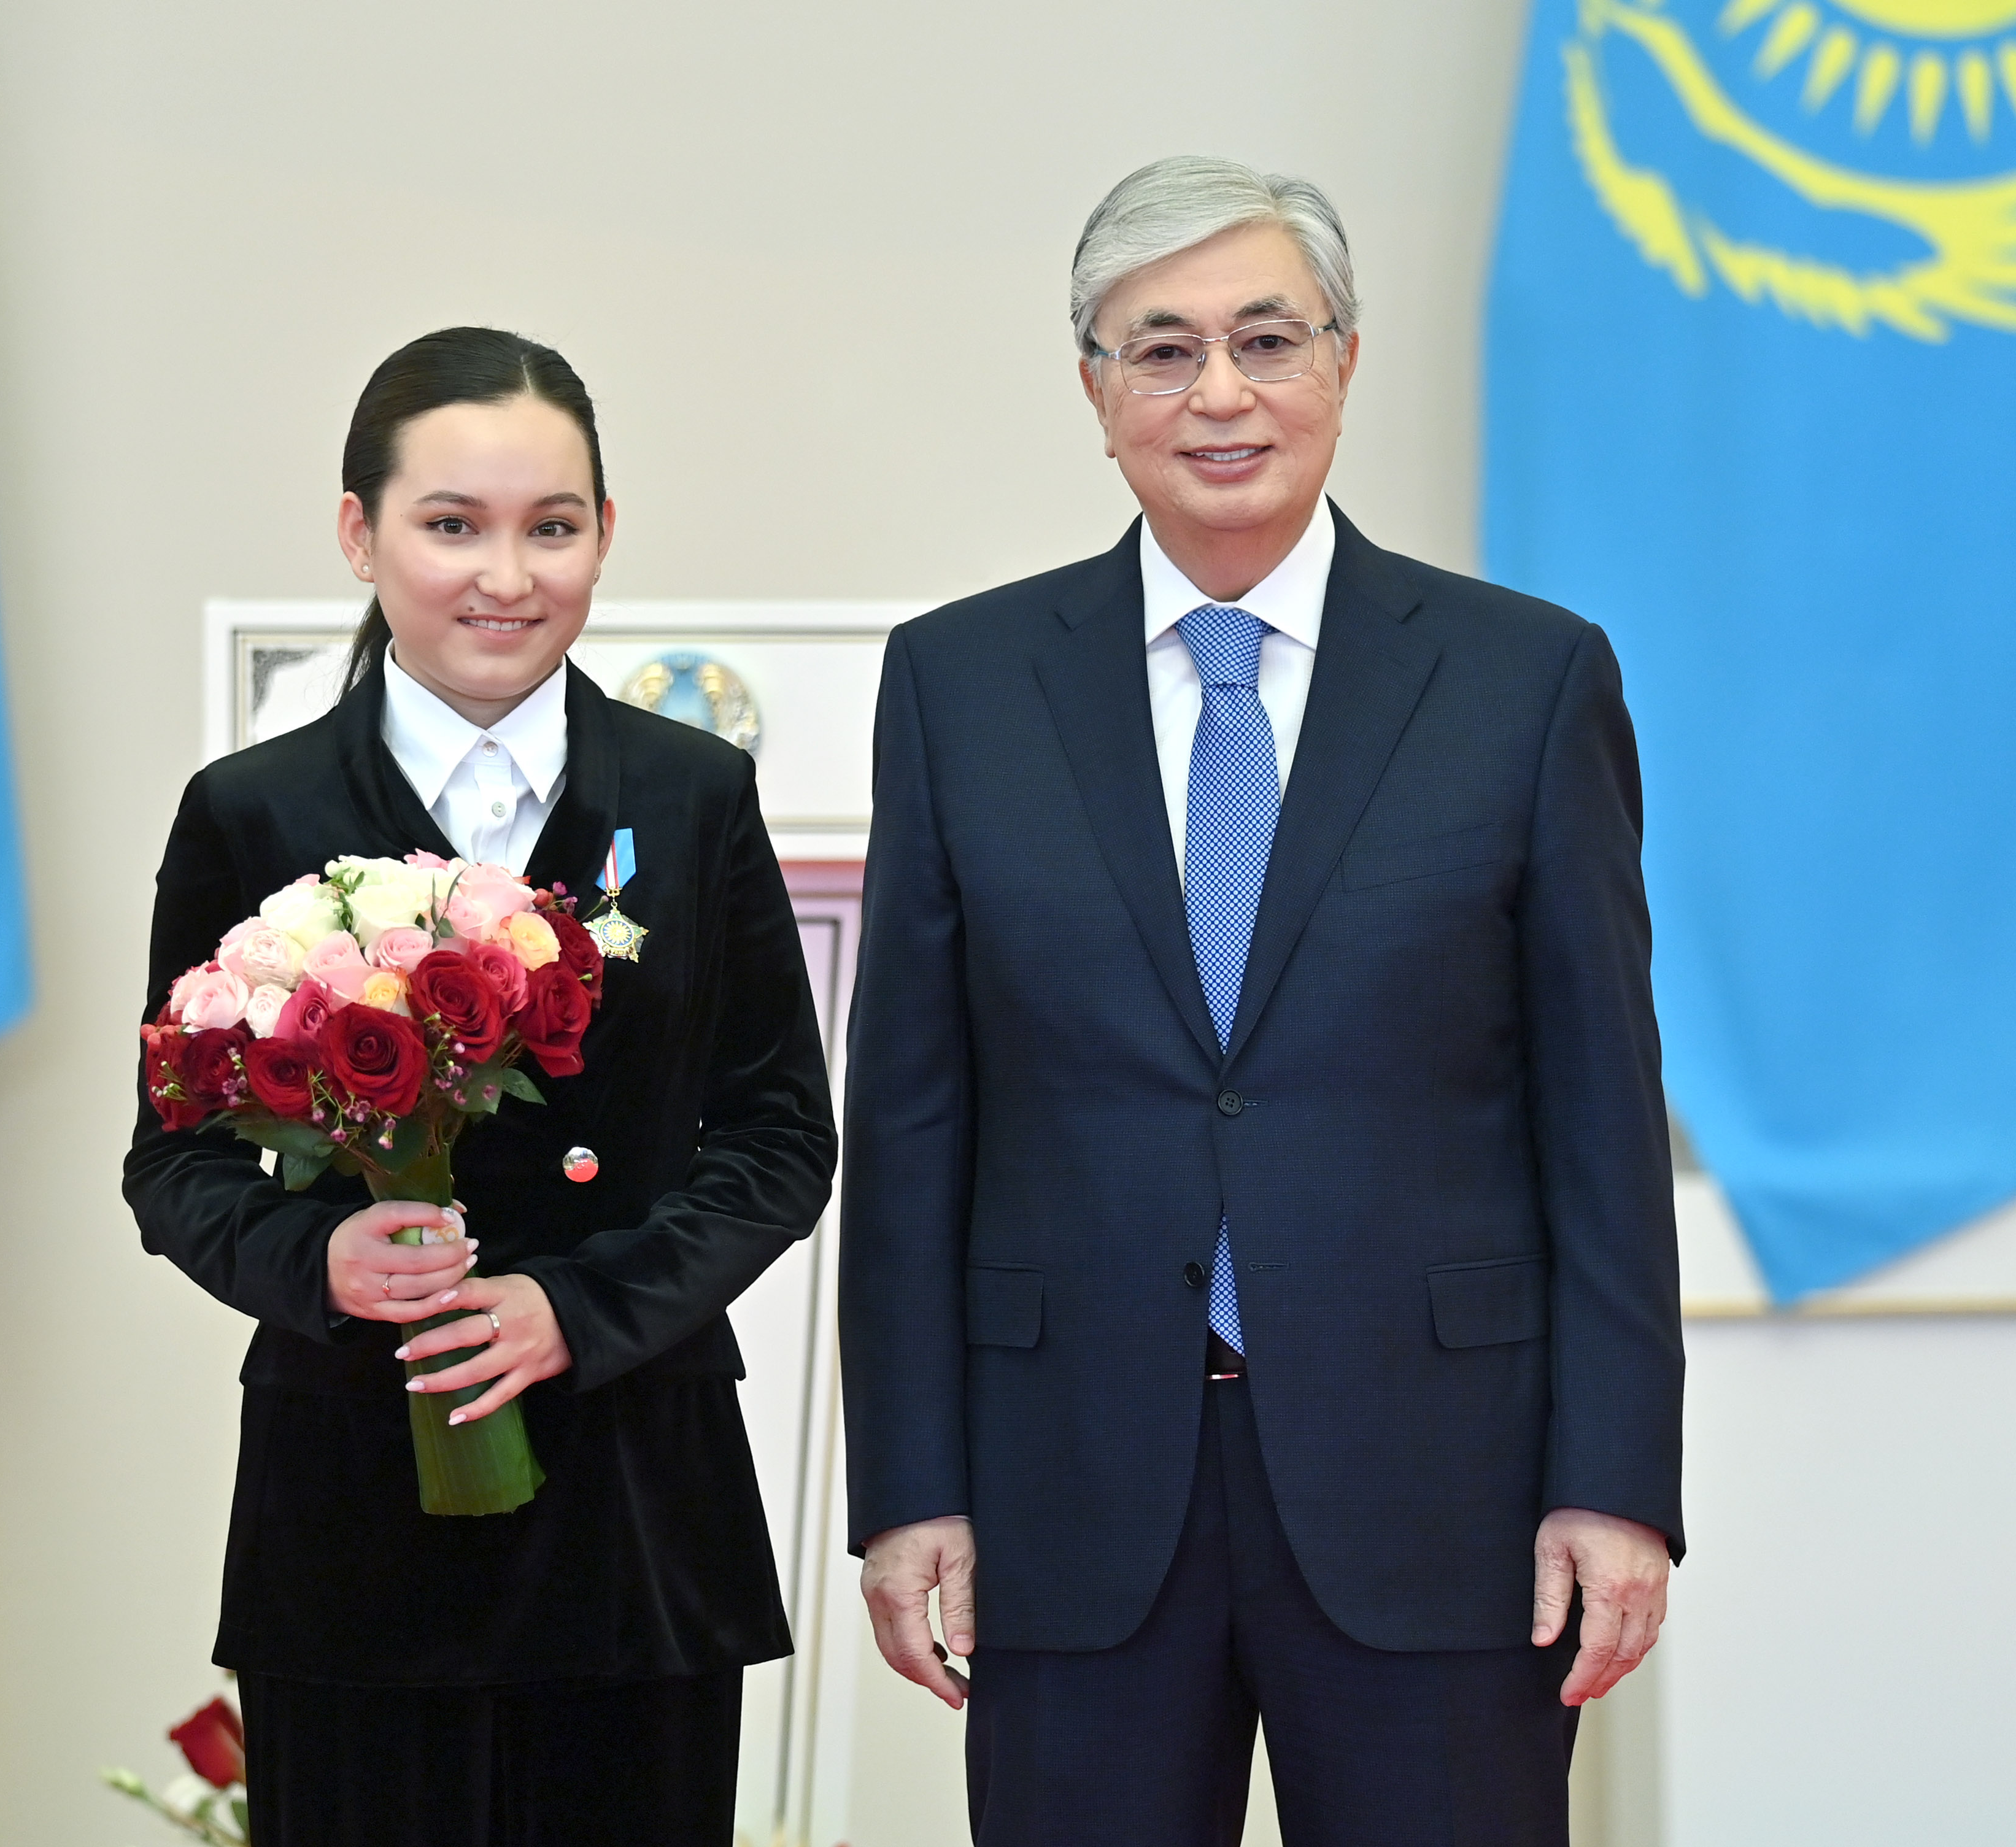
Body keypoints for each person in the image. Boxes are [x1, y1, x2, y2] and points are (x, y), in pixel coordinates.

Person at [838, 157, 1685, 1845]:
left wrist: (1615, 1481)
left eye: (1267, 339)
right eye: (1162, 350)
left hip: (1444, 1491)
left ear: (1344, 364)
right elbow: (913, 1120)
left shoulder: (1525, 679)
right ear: (1096, 391)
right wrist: (908, 1484)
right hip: (1069, 1487)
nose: (1219, 393)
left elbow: (1598, 1119)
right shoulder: (959, 683)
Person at [124, 327, 835, 1847]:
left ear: (604, 533)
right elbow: (172, 1160)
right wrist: (319, 1256)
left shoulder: (693, 795)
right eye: (452, 524)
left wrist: (579, 1308)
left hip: (635, 1503)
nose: (506, 576)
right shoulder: (251, 811)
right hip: (352, 1508)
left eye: (551, 526)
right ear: (358, 532)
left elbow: (779, 1134)